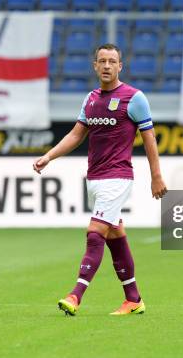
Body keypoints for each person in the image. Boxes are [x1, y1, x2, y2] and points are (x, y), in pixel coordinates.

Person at [33, 43, 167, 316]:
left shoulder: (134, 97)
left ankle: (75, 295)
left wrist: (156, 176)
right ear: (95, 66)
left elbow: (149, 138)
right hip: (94, 178)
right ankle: (133, 299)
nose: (107, 66)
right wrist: (49, 156)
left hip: (118, 178)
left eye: (112, 61)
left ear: (120, 66)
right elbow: (76, 134)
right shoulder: (91, 98)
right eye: (102, 61)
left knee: (95, 233)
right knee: (115, 235)